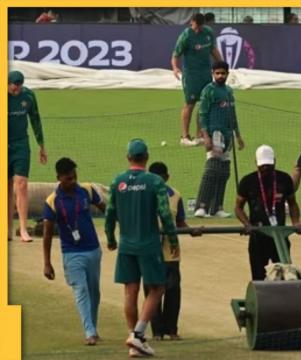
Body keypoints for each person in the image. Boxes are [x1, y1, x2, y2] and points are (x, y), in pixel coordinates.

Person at [105, 139, 179, 357]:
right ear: (146, 157)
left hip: (126, 244)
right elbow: (165, 214)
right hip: (148, 244)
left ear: (128, 157)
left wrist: (110, 237)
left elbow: (110, 213)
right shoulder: (154, 181)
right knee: (157, 289)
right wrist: (173, 240)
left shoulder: (117, 181)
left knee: (130, 290)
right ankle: (137, 335)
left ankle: (133, 338)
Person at [42, 158, 105, 346]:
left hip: (93, 250)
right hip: (71, 253)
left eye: (74, 176)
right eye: (68, 178)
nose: (73, 180)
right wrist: (47, 263)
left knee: (95, 292)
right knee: (81, 290)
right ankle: (89, 331)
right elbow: (46, 235)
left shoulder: (87, 190)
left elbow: (106, 210)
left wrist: (114, 231)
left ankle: (93, 327)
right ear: (59, 178)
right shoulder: (52, 202)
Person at [235, 145, 301, 280]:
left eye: (268, 165)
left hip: (280, 235)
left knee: (284, 274)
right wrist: (246, 223)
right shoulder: (247, 181)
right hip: (258, 236)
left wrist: (296, 222)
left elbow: (292, 203)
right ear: (256, 162)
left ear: (275, 161)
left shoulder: (284, 179)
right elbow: (238, 207)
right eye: (262, 165)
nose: (265, 168)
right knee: (258, 276)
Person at [194, 60, 245, 218]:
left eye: (223, 73)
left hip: (228, 134)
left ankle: (216, 208)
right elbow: (202, 114)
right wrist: (205, 136)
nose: (220, 76)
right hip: (215, 133)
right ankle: (201, 206)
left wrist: (238, 135)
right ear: (213, 74)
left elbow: (233, 114)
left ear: (227, 74)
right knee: (212, 169)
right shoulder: (208, 91)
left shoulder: (229, 91)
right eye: (217, 73)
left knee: (224, 172)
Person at [144, 162, 188, 341]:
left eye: (161, 179)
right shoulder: (143, 194)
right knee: (152, 290)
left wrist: (191, 230)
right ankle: (157, 332)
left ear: (167, 178)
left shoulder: (175, 195)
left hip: (171, 251)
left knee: (173, 290)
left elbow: (180, 222)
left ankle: (172, 329)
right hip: (149, 251)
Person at [171, 13, 223, 147]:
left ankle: (200, 134)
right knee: (190, 104)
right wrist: (175, 68)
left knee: (204, 104)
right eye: (196, 26)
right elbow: (175, 55)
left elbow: (213, 49)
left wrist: (222, 63)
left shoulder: (208, 32)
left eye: (200, 26)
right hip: (191, 75)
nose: (198, 29)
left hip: (206, 73)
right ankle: (184, 137)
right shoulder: (186, 35)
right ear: (191, 22)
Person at [8, 70, 47, 242]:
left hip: (21, 144)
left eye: (19, 86)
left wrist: (41, 145)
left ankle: (23, 229)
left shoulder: (28, 96)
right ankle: (7, 228)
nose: (16, 90)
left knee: (21, 184)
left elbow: (35, 119)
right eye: (13, 86)